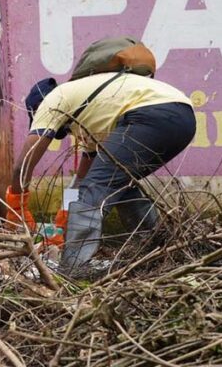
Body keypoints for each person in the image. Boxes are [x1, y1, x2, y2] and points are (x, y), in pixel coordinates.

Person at [10, 71, 196, 276]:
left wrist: (16, 205)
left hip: (151, 113)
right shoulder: (89, 118)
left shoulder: (53, 100)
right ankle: (159, 251)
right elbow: (81, 178)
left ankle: (73, 268)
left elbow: (23, 165)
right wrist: (65, 215)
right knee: (121, 185)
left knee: (96, 188)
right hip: (182, 116)